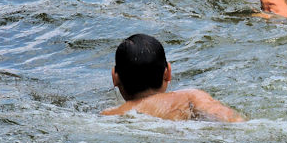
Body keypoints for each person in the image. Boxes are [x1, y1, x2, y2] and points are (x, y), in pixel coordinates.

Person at [102, 34, 245, 122]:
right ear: (168, 73)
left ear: (115, 77)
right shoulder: (189, 98)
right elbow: (235, 122)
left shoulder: (110, 115)